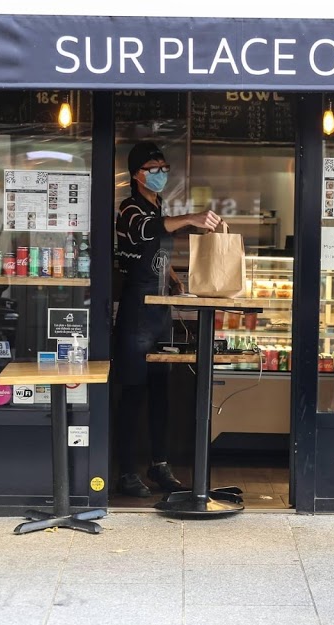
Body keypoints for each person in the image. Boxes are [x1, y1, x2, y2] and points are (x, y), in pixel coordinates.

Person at [112, 141, 222, 497]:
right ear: (136, 175)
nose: (160, 174)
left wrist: (176, 281)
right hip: (135, 312)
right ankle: (126, 472)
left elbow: (159, 251)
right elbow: (148, 232)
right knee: (133, 393)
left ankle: (159, 465)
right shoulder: (129, 210)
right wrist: (190, 219)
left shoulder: (159, 206)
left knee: (161, 392)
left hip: (160, 312)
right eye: (153, 169)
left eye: (163, 168)